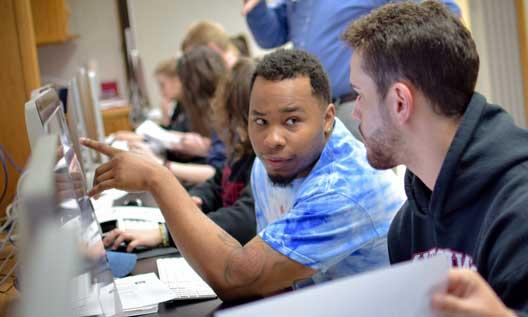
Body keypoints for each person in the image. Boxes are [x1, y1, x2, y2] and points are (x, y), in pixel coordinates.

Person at [81, 49, 405, 301]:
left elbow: (237, 278)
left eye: (292, 121)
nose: (271, 139)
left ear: (328, 118)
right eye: (260, 121)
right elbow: (270, 282)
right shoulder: (270, 164)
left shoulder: (343, 187)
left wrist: (158, 179)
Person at [343, 1, 528, 316]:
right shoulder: (406, 227)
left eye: (360, 94)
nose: (356, 111)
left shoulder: (519, 210)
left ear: (400, 102)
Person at [241, 0, 460, 138]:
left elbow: (443, 14)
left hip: (355, 106)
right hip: (313, 108)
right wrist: (256, 6)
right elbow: (270, 35)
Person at [103, 58, 258, 251]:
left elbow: (243, 220)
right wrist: (198, 199)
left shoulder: (262, 162)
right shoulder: (242, 150)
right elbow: (219, 182)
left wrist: (165, 234)